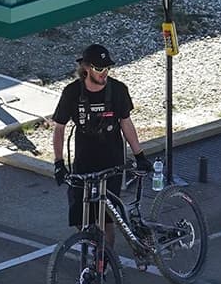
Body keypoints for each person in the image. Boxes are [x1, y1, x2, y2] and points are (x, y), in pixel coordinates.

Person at [52, 44, 154, 249]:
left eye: (107, 68)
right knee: (79, 213)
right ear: (87, 68)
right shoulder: (71, 92)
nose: (104, 73)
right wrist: (59, 162)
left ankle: (104, 262)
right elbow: (59, 128)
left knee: (107, 216)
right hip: (84, 157)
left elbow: (126, 122)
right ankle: (91, 245)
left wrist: (139, 155)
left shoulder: (118, 90)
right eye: (99, 69)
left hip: (111, 156)